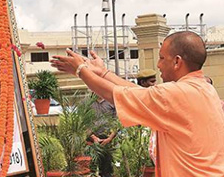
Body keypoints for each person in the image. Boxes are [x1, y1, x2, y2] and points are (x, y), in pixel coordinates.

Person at [51, 31, 224, 177]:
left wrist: (81, 70)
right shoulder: (204, 90)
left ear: (177, 61)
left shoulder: (176, 94)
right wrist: (102, 72)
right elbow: (141, 94)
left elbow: (115, 94)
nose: (158, 64)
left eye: (162, 58)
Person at [87, 94, 117, 177]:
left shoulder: (112, 102)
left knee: (107, 167)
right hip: (92, 139)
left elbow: (117, 122)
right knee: (93, 166)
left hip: (108, 138)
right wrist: (93, 137)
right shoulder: (88, 102)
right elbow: (85, 122)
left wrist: (110, 138)